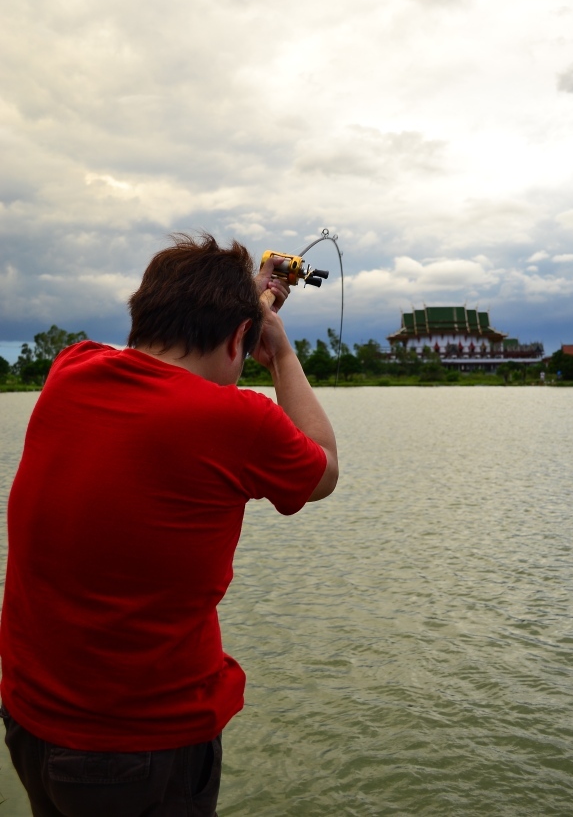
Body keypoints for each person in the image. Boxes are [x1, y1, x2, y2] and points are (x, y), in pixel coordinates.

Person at [0, 232, 338, 817]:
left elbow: (165, 371)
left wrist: (240, 307)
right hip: (141, 748)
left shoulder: (70, 369)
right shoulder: (239, 421)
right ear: (241, 338)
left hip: (30, 719)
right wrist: (279, 351)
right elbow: (323, 471)